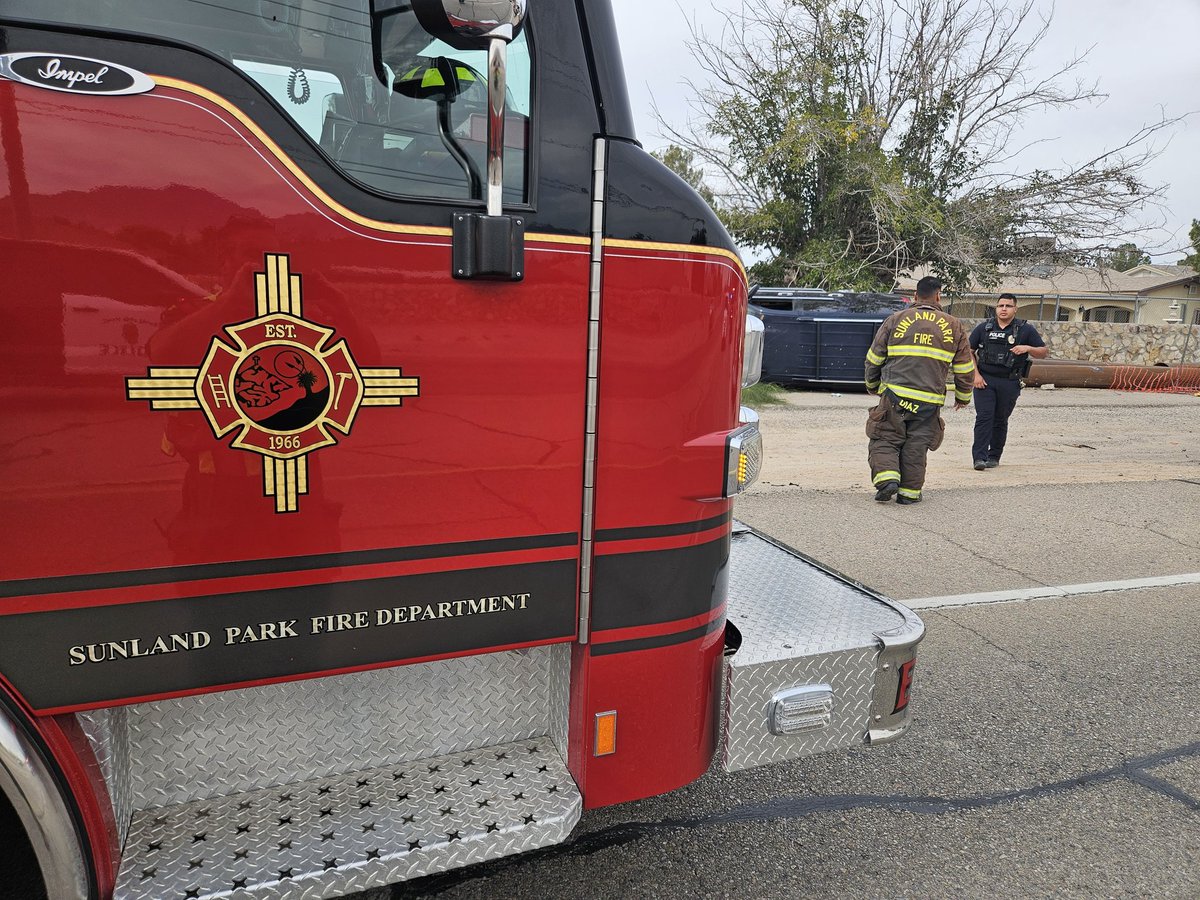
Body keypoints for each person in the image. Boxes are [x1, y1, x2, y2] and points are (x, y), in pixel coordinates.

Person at [864, 276, 975, 505]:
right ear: (938, 296)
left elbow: (874, 358)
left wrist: (872, 385)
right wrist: (963, 396)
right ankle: (909, 493)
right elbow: (964, 366)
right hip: (929, 401)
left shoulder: (895, 319)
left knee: (884, 438)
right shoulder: (954, 325)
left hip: (895, 395)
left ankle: (887, 480)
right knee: (917, 445)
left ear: (915, 296)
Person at [969, 293, 1048, 469]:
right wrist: (975, 375)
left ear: (1015, 309)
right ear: (996, 308)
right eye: (1000, 305)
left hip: (1010, 381)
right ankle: (979, 458)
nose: (1004, 309)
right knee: (984, 417)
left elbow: (1043, 351)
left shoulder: (1025, 330)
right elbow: (969, 351)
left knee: (1000, 419)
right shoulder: (984, 328)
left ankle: (994, 456)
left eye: (1008, 306)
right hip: (985, 380)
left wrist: (1027, 348)